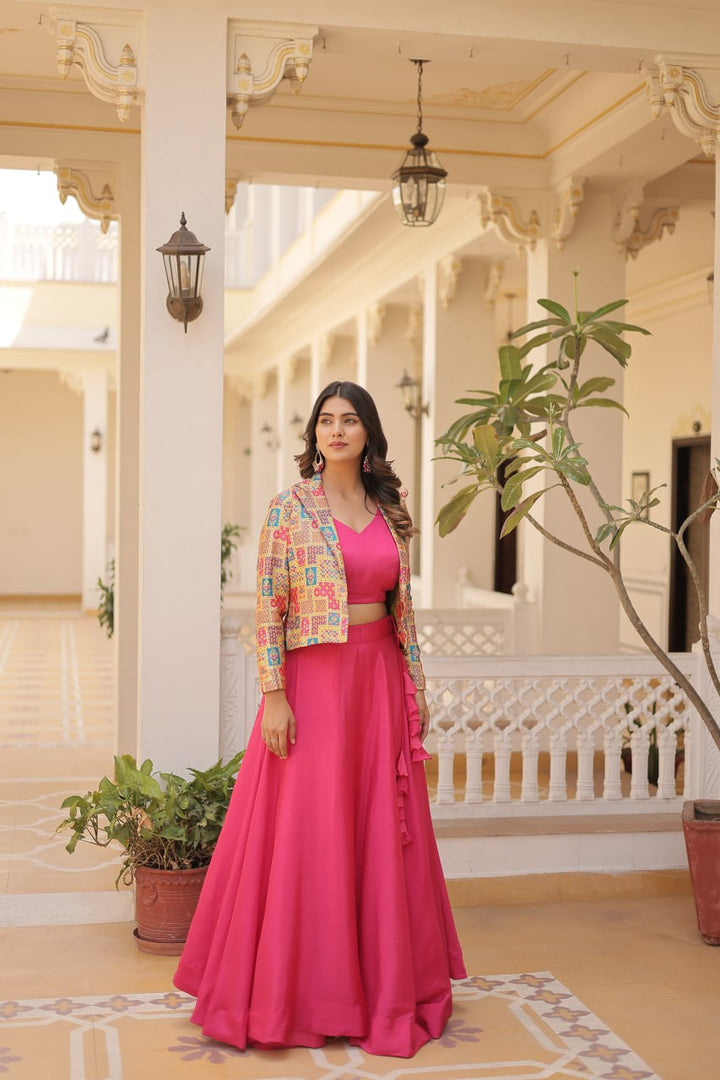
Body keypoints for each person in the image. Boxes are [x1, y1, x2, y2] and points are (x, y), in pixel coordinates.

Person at [174, 380, 466, 1058]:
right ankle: (295, 992)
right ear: (314, 434)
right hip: (314, 681)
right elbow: (267, 606)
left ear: (368, 433)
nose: (337, 430)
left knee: (376, 833)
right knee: (309, 830)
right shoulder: (291, 508)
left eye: (350, 419)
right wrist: (273, 693)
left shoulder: (389, 511)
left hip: (378, 680)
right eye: (327, 420)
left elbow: (403, 606)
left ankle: (383, 987)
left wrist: (414, 683)